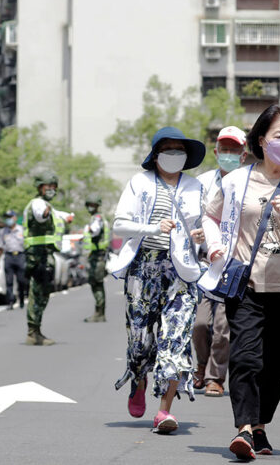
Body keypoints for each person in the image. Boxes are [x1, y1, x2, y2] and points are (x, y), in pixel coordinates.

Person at [199, 104, 280, 460]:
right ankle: (243, 428)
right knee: (246, 358)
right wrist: (213, 248)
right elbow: (210, 217)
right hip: (247, 284)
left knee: (278, 363)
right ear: (261, 140)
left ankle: (259, 425)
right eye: (279, 135)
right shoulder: (236, 180)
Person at [111, 126, 207, 434]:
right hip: (144, 269)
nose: (174, 154)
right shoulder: (139, 183)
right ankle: (138, 380)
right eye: (168, 149)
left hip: (181, 273)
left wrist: (201, 235)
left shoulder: (195, 187)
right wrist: (152, 228)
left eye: (180, 150)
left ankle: (164, 411)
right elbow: (120, 226)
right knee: (140, 341)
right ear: (155, 155)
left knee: (175, 340)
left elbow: (205, 226)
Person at [192, 126, 248, 398]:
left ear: (244, 154)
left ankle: (216, 377)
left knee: (223, 327)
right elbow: (190, 220)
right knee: (200, 324)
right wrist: (197, 234)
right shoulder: (201, 183)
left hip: (233, 264)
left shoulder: (250, 183)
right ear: (215, 152)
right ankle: (200, 366)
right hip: (204, 263)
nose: (228, 154)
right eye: (224, 149)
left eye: (233, 150)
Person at [23, 171, 73, 346]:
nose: (51, 190)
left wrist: (66, 216)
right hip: (37, 257)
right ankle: (33, 333)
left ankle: (36, 331)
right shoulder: (38, 204)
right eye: (48, 187)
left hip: (44, 256)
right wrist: (44, 214)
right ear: (40, 188)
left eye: (53, 187)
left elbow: (57, 214)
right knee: (37, 294)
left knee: (42, 294)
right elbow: (40, 214)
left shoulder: (47, 205)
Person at [82, 193, 110, 322]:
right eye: (89, 205)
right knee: (96, 284)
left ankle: (99, 313)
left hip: (98, 257)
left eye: (93, 205)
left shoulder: (97, 218)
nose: (91, 207)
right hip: (97, 255)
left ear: (97, 206)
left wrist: (88, 229)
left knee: (96, 283)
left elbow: (95, 231)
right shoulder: (97, 217)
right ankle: (99, 313)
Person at [0, 210, 27, 310]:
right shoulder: (3, 232)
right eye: (7, 217)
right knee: (9, 281)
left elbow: (27, 245)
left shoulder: (22, 230)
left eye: (10, 217)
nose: (8, 219)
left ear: (15, 218)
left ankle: (22, 299)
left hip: (20, 256)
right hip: (9, 256)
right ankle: (10, 301)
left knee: (21, 280)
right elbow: (1, 247)